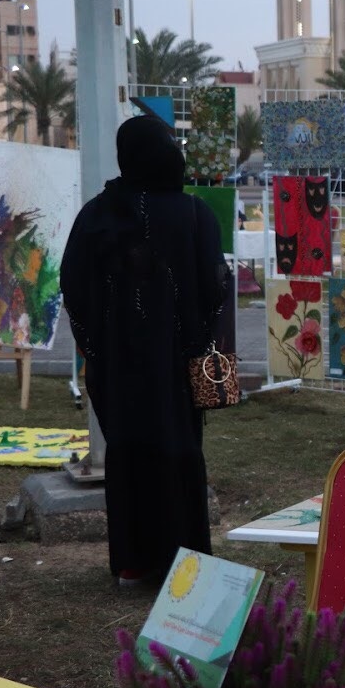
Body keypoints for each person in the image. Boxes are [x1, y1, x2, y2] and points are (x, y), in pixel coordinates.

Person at [61, 115, 231, 586]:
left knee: (128, 454)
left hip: (119, 366)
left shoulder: (98, 214)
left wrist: (100, 344)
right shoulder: (194, 213)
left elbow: (73, 285)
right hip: (178, 366)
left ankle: (134, 563)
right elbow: (216, 286)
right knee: (180, 453)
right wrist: (191, 331)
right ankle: (184, 565)